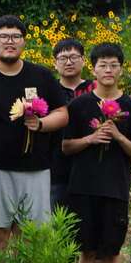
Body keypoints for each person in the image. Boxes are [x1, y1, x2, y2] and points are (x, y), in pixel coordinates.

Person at [0, 15, 68, 256]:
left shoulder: (41, 76)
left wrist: (41, 124)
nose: (9, 41)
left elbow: (62, 113)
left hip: (36, 169)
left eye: (16, 36)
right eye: (3, 36)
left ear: (24, 42)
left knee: (33, 235)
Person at [62, 42, 131, 263]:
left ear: (121, 70)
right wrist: (90, 138)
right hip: (82, 188)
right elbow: (65, 147)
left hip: (115, 189)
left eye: (114, 65)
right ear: (94, 70)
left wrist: (118, 136)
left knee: (111, 251)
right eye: (103, 65)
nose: (108, 70)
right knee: (86, 250)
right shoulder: (79, 105)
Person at [50, 38, 94, 210]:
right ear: (55, 63)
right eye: (63, 58)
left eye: (74, 57)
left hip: (91, 167)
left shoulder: (95, 89)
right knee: (57, 218)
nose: (69, 62)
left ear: (83, 60)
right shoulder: (48, 90)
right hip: (57, 169)